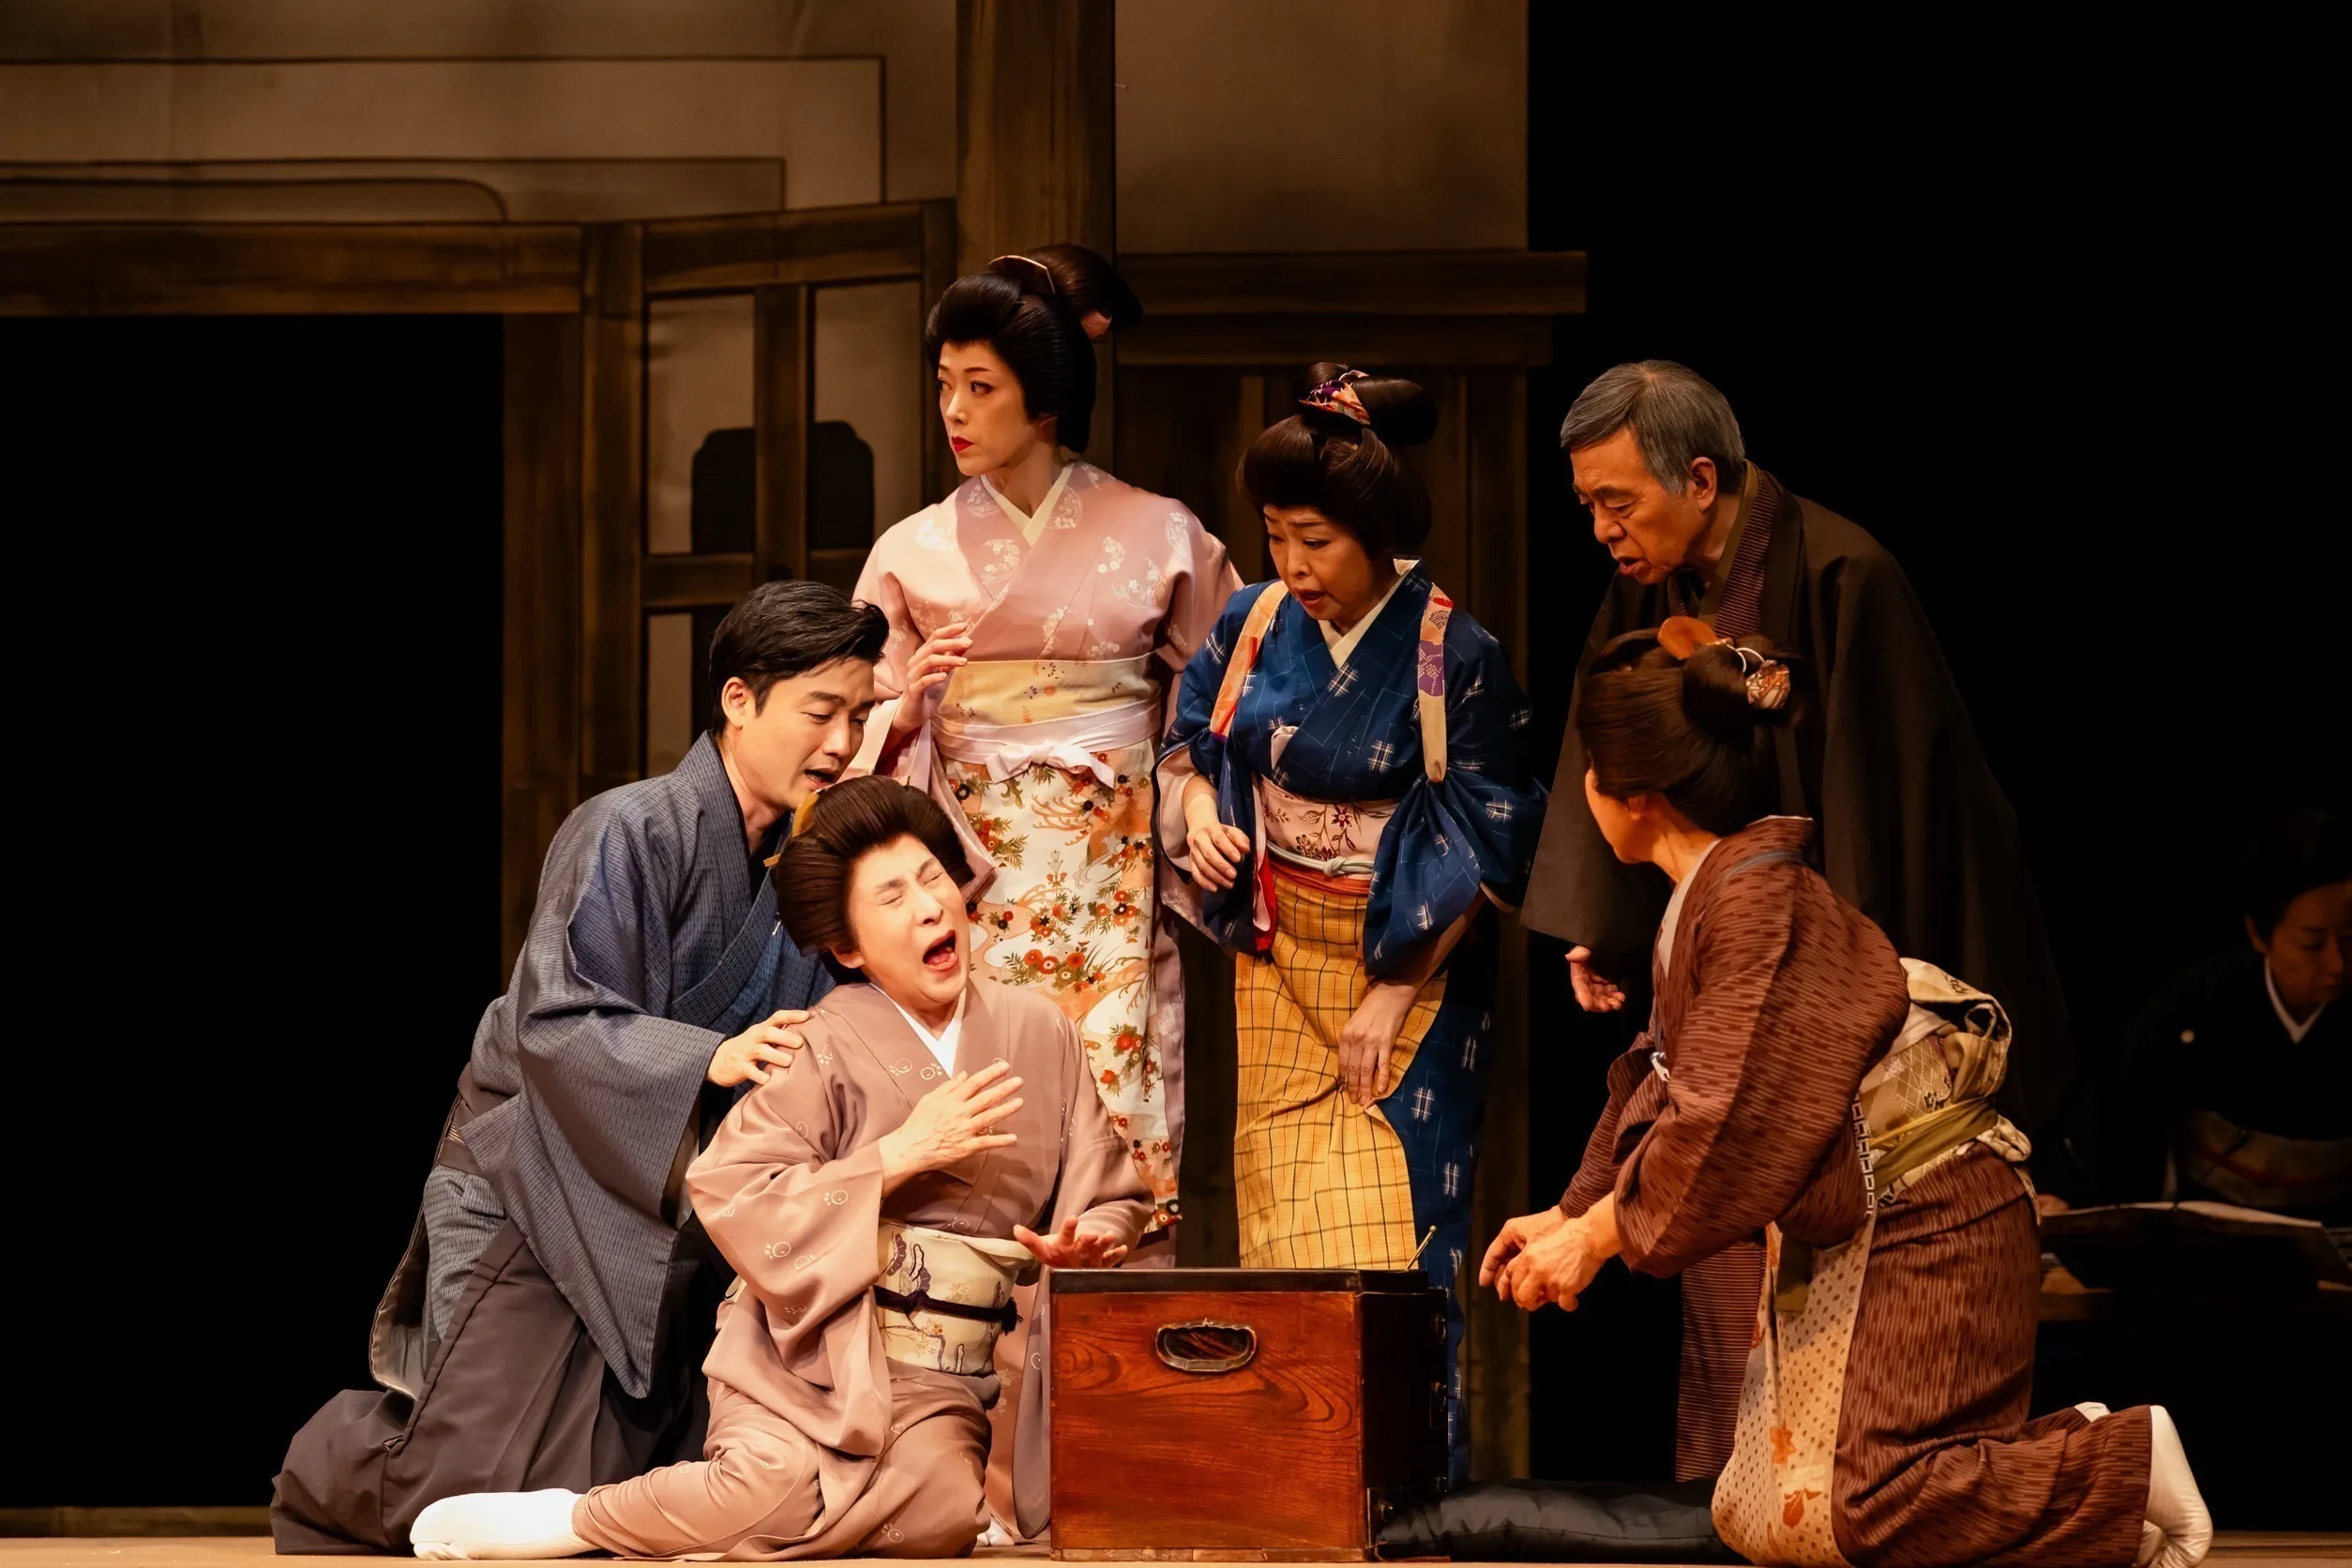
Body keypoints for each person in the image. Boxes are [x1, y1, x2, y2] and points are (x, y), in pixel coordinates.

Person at [1482, 623, 2209, 1568]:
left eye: (1588, 767)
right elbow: (1659, 1084)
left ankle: (2120, 1460)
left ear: (1636, 796)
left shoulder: (1756, 902)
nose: (1582, 787)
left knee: (1862, 1507)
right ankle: (2090, 1486)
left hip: (1934, 1211)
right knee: (1763, 1511)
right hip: (1873, 1220)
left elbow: (1726, 1120)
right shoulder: (1708, 901)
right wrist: (1570, 1212)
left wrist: (1595, 1238)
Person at [1520, 359, 2079, 1479]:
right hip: (1725, 940)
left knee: (1801, 1260)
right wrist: (1608, 921)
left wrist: (1827, 990)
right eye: (1586, 506)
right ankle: (1747, 1501)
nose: (1602, 530)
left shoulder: (1841, 573)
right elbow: (1617, 746)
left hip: (1813, 959)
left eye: (1617, 502)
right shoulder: (1649, 582)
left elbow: (1892, 799)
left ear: (1700, 478)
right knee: (1725, 1263)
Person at [272, 581, 886, 1554]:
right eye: (822, 712)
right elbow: (555, 1019)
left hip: (669, 1204)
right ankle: (324, 1468)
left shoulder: (800, 867)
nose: (843, 741)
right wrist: (711, 1054)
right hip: (537, 1182)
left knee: (608, 1492)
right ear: (738, 700)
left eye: (859, 715)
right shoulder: (628, 827)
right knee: (469, 1483)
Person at [408, 776, 1153, 1561]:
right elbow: (730, 1188)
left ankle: (722, 1515)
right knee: (771, 1488)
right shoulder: (819, 1042)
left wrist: (1089, 1240)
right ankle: (576, 1520)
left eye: (933, 879)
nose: (930, 908)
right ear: (849, 949)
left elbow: (1109, 1189)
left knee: (938, 1518)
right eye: (893, 897)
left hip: (940, 1381)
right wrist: (893, 1157)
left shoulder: (1041, 1032)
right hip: (805, 1357)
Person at [1158, 365, 1546, 1479]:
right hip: (1278, 958)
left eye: (1316, 541)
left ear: (1378, 534)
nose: (1293, 564)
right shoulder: (1252, 622)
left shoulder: (1452, 654)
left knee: (1396, 1238)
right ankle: (1301, 1494)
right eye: (1277, 536)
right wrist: (1197, 813)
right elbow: (1186, 744)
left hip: (1410, 971)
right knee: (1283, 1231)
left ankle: (1407, 1499)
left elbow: (1493, 828)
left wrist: (1398, 985)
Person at [852, 246, 1239, 1236]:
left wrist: (1188, 786)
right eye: (944, 385)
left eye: (981, 387)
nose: (954, 410)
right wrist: (904, 712)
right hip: (968, 886)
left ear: (1046, 398)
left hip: (1110, 883)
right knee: (981, 1121)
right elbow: (852, 726)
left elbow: (1229, 694)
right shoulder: (909, 551)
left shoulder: (1160, 533)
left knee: (1118, 1104)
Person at [2102, 807, 2349, 1223]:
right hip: (2216, 1235)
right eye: (2312, 944)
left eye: (2351, 937)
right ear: (2259, 935)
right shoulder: (2195, 1006)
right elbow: (2122, 1127)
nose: (2338, 963)